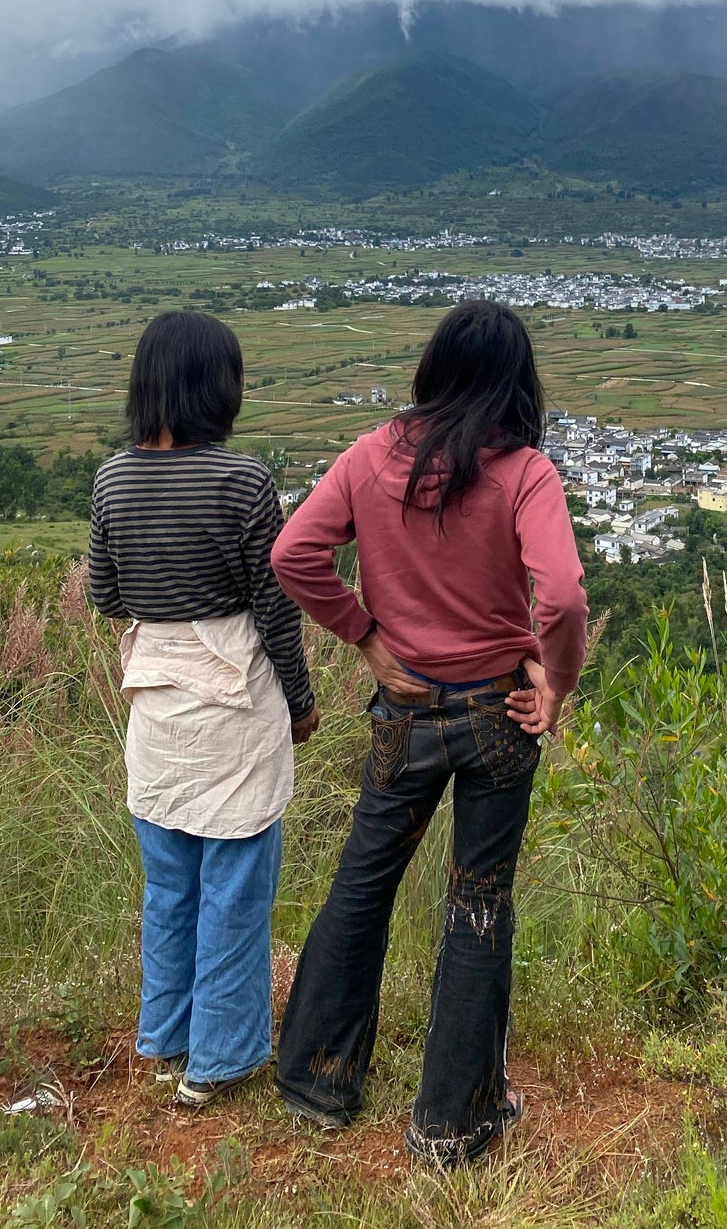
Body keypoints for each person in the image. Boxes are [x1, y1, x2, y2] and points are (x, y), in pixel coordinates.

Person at [270, 299, 587, 1163]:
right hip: (498, 710)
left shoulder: (371, 455)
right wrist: (556, 683)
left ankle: (314, 1081)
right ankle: (453, 1120)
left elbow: (293, 552)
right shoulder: (523, 471)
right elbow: (559, 594)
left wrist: (365, 635)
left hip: (403, 708)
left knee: (362, 882)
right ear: (516, 382)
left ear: (433, 368)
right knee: (477, 901)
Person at [87, 311, 319, 1109]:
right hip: (235, 701)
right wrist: (301, 700)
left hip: (155, 702)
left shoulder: (112, 478)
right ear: (218, 387)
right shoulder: (243, 481)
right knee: (235, 885)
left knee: (170, 885)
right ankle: (217, 1060)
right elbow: (276, 609)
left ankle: (166, 1038)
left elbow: (105, 595)